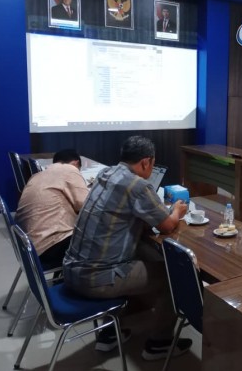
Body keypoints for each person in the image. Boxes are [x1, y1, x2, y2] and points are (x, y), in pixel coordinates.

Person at [63, 136, 190, 359]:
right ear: (146, 162)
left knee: (145, 253)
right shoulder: (138, 186)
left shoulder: (106, 174)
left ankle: (110, 333)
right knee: (174, 275)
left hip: (72, 268)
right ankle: (159, 344)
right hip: (96, 279)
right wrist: (177, 211)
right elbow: (167, 225)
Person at [15, 149, 89, 269]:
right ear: (76, 163)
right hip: (50, 246)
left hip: (28, 247)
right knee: (103, 238)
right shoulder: (70, 170)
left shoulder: (37, 175)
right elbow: (85, 205)